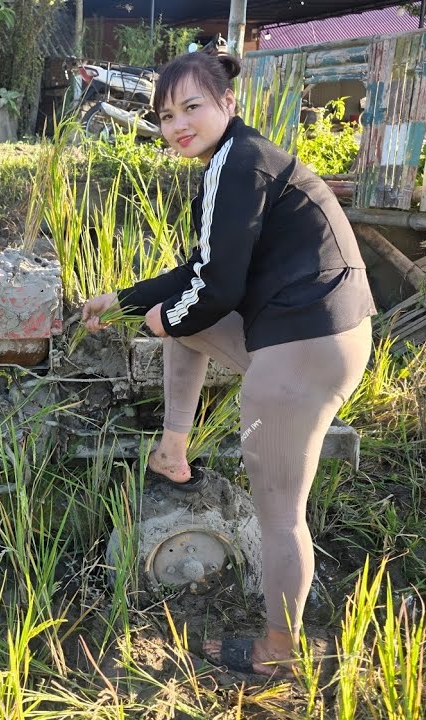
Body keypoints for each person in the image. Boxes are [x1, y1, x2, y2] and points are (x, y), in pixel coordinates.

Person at [80, 46, 376, 677]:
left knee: (278, 512)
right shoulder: (236, 160)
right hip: (320, 333)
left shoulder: (236, 168)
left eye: (191, 106)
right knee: (183, 331)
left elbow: (215, 292)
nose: (176, 125)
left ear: (227, 104)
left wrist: (172, 314)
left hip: (305, 352)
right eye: (164, 115)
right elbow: (201, 271)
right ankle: (173, 452)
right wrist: (127, 301)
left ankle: (278, 650)